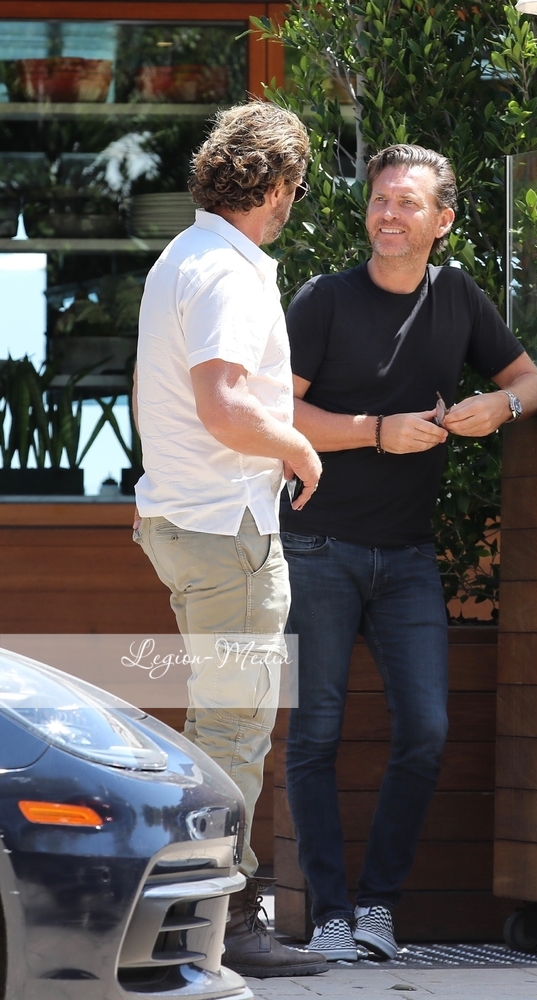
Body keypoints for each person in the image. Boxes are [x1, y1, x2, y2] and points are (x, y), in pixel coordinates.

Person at [281, 143, 537, 961]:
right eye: (380, 200)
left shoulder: (457, 296)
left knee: (426, 731)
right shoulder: (323, 300)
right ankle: (329, 915)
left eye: (407, 203)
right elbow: (277, 418)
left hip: (405, 557)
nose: (388, 215)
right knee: (314, 735)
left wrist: (499, 407)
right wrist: (374, 432)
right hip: (317, 546)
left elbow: (533, 381)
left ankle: (377, 908)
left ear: (443, 220)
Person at [132, 102, 326, 979]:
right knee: (233, 732)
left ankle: (194, 913)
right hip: (227, 529)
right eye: (296, 187)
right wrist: (298, 447)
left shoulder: (183, 255)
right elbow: (222, 404)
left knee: (216, 724)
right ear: (276, 184)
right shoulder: (226, 271)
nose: (292, 203)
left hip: (188, 520)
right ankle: (221, 921)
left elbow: (176, 397)